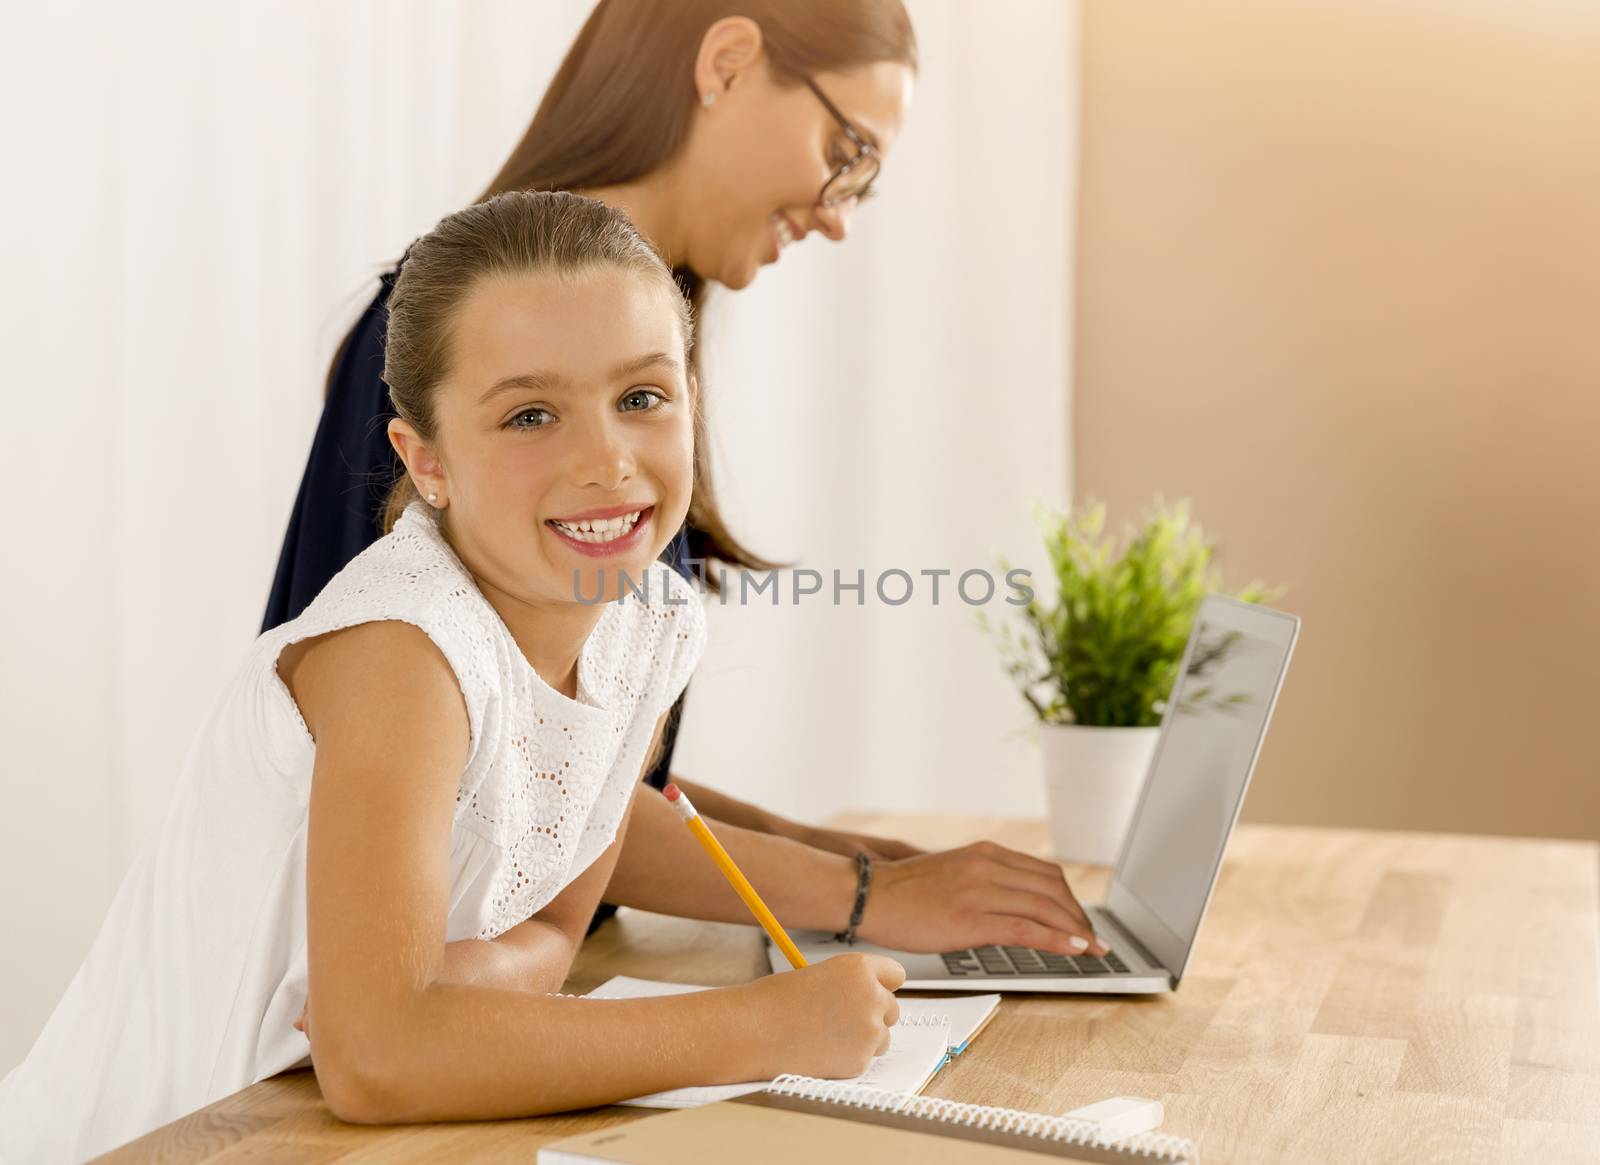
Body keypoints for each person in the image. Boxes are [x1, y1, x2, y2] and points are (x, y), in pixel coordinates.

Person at [0, 192, 913, 1164]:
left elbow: (561, 921)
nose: (606, 457)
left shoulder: (648, 621)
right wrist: (758, 1029)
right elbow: (376, 1058)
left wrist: (477, 982)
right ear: (425, 459)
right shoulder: (406, 650)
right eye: (530, 413)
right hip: (170, 1139)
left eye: (641, 397)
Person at [265, 0, 1109, 959]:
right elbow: (466, 790)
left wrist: (853, 857)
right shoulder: (443, 348)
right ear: (730, 62)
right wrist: (861, 891)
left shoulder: (629, 390)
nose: (837, 216)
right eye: (848, 152)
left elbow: (574, 776)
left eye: (644, 400)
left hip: (533, 972)